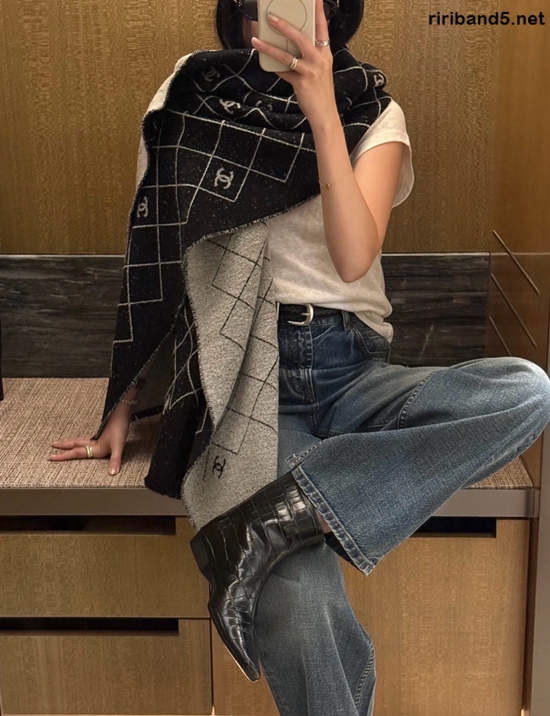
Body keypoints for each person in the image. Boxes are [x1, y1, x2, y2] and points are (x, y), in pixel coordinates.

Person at [50, 0, 550, 713]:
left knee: (526, 391)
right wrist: (124, 399)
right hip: (250, 383)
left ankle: (276, 515)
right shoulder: (191, 91)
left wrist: (321, 112)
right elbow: (155, 249)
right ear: (239, 11)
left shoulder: (373, 111)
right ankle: (281, 519)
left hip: (354, 371)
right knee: (300, 601)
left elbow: (352, 257)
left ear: (333, 12)